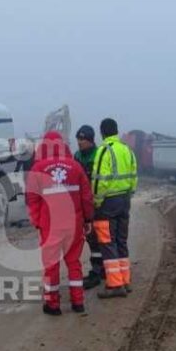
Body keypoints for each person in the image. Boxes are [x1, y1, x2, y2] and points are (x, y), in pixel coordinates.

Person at [26, 131, 94, 315]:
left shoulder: (38, 169)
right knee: (73, 262)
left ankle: (52, 304)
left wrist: (37, 222)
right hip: (74, 223)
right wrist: (88, 219)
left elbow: (32, 201)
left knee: (51, 265)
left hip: (50, 225)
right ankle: (78, 302)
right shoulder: (76, 166)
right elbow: (86, 197)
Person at [92, 118, 138, 299]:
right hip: (125, 199)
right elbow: (134, 175)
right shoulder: (127, 150)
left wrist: (96, 201)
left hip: (108, 203)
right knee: (121, 241)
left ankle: (114, 285)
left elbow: (99, 181)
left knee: (107, 242)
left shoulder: (104, 151)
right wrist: (129, 194)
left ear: (102, 132)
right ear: (116, 131)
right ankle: (125, 281)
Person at [74, 125, 104, 289]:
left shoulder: (99, 155)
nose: (79, 142)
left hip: (98, 203)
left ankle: (99, 270)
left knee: (101, 237)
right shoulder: (77, 156)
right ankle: (99, 268)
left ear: (91, 140)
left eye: (82, 139)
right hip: (85, 203)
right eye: (78, 139)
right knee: (92, 238)